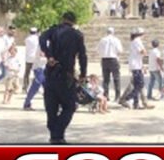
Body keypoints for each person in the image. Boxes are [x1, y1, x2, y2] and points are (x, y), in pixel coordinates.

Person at [39, 11, 88, 144]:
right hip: (66, 75)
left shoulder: (53, 30)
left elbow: (42, 39)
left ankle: (55, 135)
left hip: (50, 73)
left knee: (51, 107)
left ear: (62, 19)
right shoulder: (77, 35)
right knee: (69, 106)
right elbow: (82, 56)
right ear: (74, 21)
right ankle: (57, 134)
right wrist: (83, 74)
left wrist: (49, 56)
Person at [97, 27, 123, 101]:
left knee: (106, 79)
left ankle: (106, 95)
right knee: (116, 78)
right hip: (113, 59)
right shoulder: (116, 40)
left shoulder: (102, 40)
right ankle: (117, 96)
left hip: (104, 60)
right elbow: (120, 50)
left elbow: (98, 50)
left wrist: (103, 54)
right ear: (113, 32)